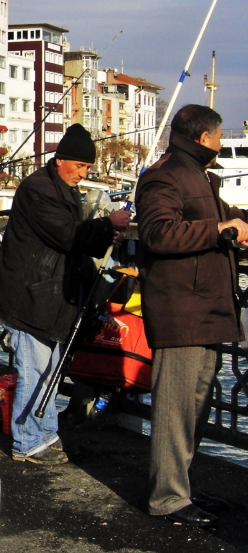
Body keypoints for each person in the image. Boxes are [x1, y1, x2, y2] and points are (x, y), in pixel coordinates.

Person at [0, 124, 130, 464]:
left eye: (88, 168)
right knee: (35, 369)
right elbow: (67, 235)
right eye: (80, 166)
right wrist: (109, 225)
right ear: (62, 160)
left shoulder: (57, 186)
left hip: (46, 295)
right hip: (28, 295)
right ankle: (28, 442)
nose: (84, 173)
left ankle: (45, 435)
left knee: (48, 368)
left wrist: (106, 235)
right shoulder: (39, 188)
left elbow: (75, 235)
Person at [136, 104, 248, 526]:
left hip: (204, 309)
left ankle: (180, 490)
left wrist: (233, 223)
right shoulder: (165, 175)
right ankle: (167, 499)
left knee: (194, 409)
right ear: (204, 137)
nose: (221, 143)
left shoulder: (195, 174)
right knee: (175, 409)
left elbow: (222, 219)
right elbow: (158, 233)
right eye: (220, 137)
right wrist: (222, 230)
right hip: (181, 310)